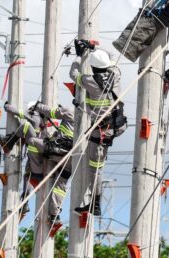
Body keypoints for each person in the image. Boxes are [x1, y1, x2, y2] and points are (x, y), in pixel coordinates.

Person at [70, 41, 127, 216]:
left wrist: (79, 55)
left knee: (95, 168)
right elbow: (113, 56)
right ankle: (93, 202)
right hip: (118, 124)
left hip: (103, 131)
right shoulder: (115, 74)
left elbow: (73, 74)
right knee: (96, 165)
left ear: (93, 67)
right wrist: (94, 48)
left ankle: (95, 204)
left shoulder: (89, 80)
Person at [27, 102, 75, 232]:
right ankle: (54, 215)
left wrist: (38, 106)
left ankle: (36, 173)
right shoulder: (90, 118)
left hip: (57, 150)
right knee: (60, 186)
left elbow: (52, 112)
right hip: (72, 158)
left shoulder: (71, 110)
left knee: (32, 142)